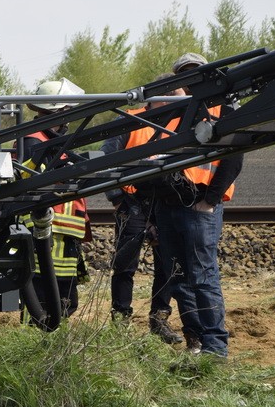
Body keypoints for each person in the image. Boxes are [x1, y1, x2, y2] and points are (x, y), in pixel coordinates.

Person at [153, 52, 242, 358]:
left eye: (195, 73)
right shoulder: (175, 111)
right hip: (169, 205)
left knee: (203, 276)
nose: (191, 80)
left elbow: (233, 158)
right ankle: (196, 340)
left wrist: (211, 200)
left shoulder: (222, 109)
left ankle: (215, 347)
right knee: (178, 277)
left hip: (200, 206)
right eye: (184, 75)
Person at [101, 79, 186, 344]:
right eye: (176, 100)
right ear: (161, 99)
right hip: (131, 203)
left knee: (167, 264)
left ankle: (159, 320)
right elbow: (106, 161)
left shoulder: (178, 124)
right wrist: (118, 201)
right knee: (126, 264)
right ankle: (121, 320)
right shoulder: (129, 122)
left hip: (164, 203)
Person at [19, 79, 90, 320]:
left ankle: (53, 337)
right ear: (58, 111)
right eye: (67, 111)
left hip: (62, 231)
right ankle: (38, 336)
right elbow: (29, 178)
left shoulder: (50, 139)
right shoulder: (34, 140)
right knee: (43, 295)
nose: (69, 118)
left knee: (65, 300)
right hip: (46, 228)